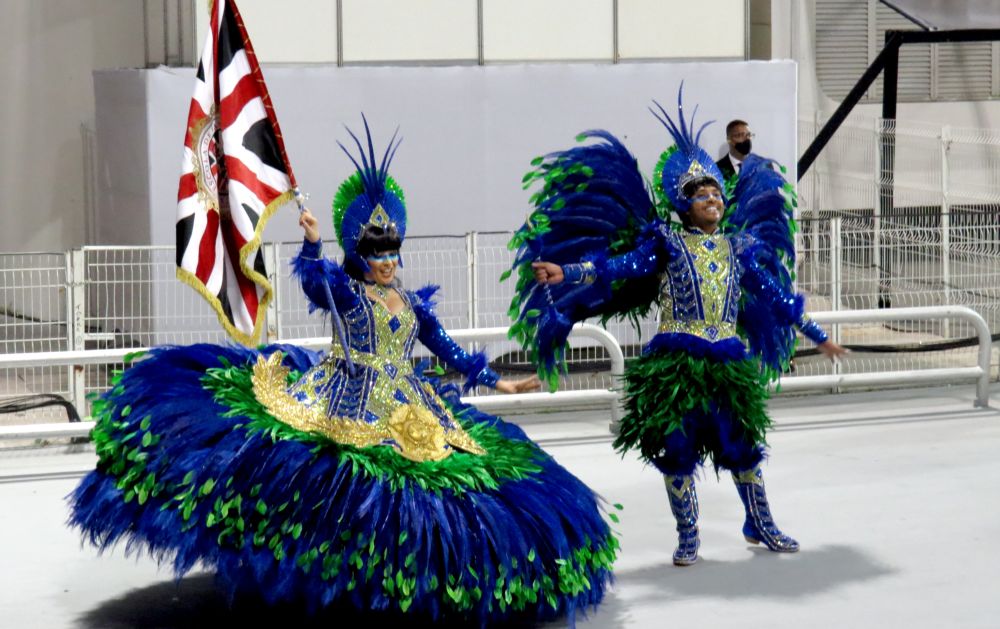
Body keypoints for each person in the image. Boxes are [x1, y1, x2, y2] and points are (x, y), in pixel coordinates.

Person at [70, 118, 618, 624]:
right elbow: (312, 280)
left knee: (432, 499)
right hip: (344, 403)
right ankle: (323, 582)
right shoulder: (348, 295)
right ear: (358, 249)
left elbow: (449, 352)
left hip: (411, 414)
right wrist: (311, 244)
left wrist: (499, 380)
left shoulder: (412, 304)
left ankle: (399, 588)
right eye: (375, 247)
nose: (386, 257)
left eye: (392, 247)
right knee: (340, 493)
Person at [508, 88, 846, 567]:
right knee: (677, 449)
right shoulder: (665, 242)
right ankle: (688, 534)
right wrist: (569, 272)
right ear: (683, 206)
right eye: (700, 194)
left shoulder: (740, 249)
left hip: (727, 362)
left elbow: (776, 296)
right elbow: (617, 266)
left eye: (716, 192)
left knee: (744, 446)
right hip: (677, 364)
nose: (711, 198)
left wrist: (818, 335)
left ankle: (760, 522)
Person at [715, 119, 754, 191]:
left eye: (748, 135)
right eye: (741, 135)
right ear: (729, 139)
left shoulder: (764, 166)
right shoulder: (716, 169)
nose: (747, 139)